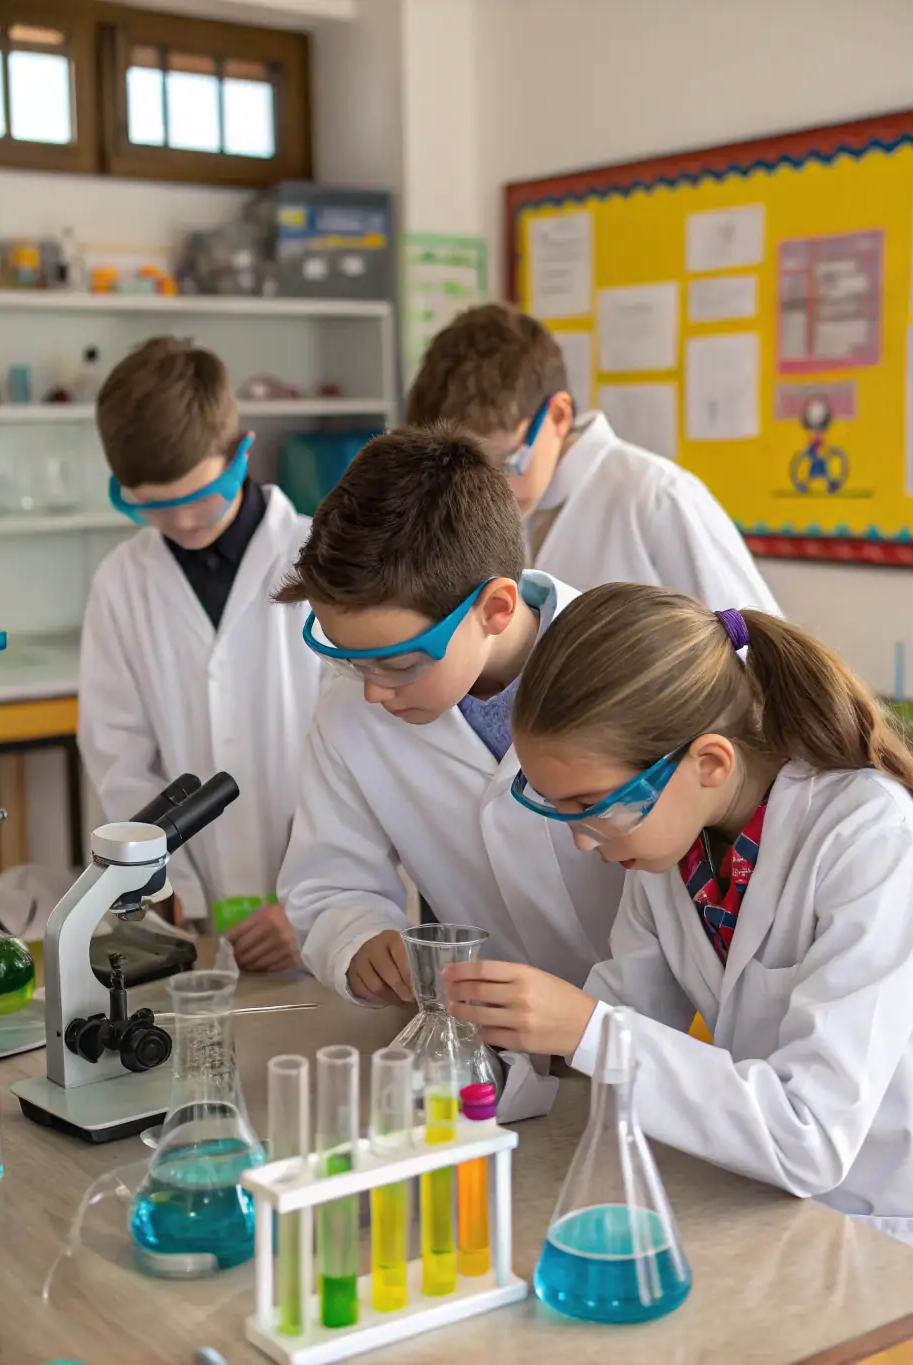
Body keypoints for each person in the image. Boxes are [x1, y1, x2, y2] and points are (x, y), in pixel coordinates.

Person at [443, 584, 913, 1295]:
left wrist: (586, 1028)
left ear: (709, 763)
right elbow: (623, 1024)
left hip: (905, 1250)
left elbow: (809, 1134)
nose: (582, 839)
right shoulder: (672, 849)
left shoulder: (867, 841)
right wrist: (493, 1047)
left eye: (593, 806)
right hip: (774, 1228)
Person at [275, 426, 625, 1118]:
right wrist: (359, 938)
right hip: (484, 1057)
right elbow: (329, 880)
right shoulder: (353, 707)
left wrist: (606, 1022)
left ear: (495, 608)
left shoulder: (623, 669)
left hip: (640, 1048)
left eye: (399, 662)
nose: (374, 689)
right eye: (349, 658)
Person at [78, 338, 322, 972]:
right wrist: (161, 881)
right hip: (194, 917)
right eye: (155, 506)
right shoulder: (120, 583)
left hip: (325, 918)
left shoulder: (326, 561)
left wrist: (317, 897)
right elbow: (119, 754)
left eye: (201, 496)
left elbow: (366, 750)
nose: (185, 522)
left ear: (241, 453)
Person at [405, 303, 780, 614]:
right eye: (463, 469)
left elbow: (761, 655)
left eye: (504, 463)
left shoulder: (656, 498)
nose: (486, 489)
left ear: (558, 417)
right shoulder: (496, 505)